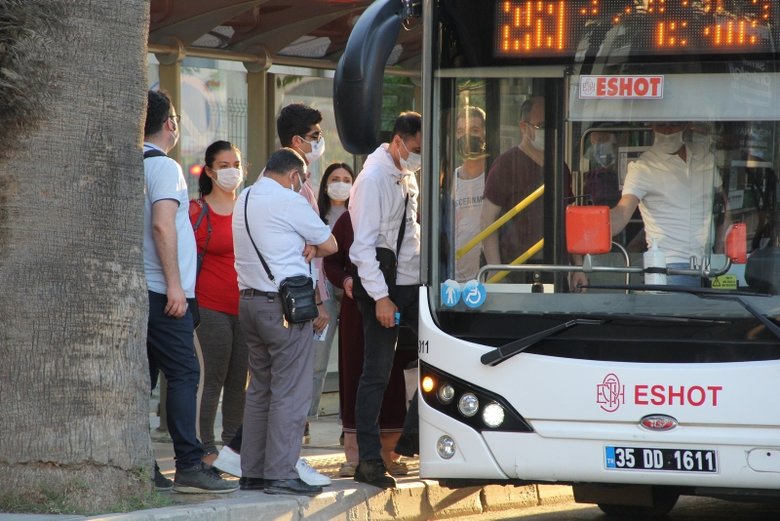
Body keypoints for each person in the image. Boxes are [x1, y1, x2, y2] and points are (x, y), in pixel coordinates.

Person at [142, 90, 237, 494]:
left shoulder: (132, 163)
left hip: (144, 290)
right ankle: (189, 465)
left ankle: (144, 467)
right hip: (164, 293)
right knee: (185, 373)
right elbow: (163, 224)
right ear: (170, 123)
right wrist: (175, 287)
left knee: (145, 380)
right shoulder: (164, 166)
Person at [232, 148, 337, 497]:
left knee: (260, 389)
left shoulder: (244, 197)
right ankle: (280, 474)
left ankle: (253, 472)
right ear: (294, 176)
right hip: (283, 308)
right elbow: (331, 243)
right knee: (290, 392)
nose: (302, 185)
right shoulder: (290, 201)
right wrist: (314, 248)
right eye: (303, 179)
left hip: (249, 303)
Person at [349, 111, 422, 488]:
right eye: (416, 148)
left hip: (410, 283)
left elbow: (411, 234)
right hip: (383, 285)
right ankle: (368, 460)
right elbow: (362, 247)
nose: (419, 156)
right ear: (397, 141)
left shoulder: (406, 174)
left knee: (443, 356)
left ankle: (413, 436)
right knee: (376, 372)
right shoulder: (373, 178)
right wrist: (381, 297)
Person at [323, 211, 417, 478]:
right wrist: (346, 280)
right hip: (357, 309)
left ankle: (390, 453)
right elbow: (331, 262)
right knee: (356, 374)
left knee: (393, 377)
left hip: (396, 305)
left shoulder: (405, 215)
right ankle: (355, 455)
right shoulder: (349, 219)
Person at [480, 96, 586, 290]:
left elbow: (569, 219)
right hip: (514, 273)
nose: (549, 130)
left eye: (553, 125)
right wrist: (495, 271)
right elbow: (487, 221)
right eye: (542, 125)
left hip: (555, 269)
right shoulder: (506, 165)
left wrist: (578, 267)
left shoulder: (560, 168)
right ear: (524, 127)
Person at [189, 141, 247, 466]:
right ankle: (204, 450)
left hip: (247, 308)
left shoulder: (248, 207)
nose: (231, 171)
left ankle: (233, 451)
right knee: (211, 378)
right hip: (209, 307)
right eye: (224, 166)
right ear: (210, 171)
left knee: (239, 382)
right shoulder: (197, 211)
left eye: (236, 165)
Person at [609, 122, 723, 286]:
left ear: (685, 125)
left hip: (711, 264)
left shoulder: (705, 158)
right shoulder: (643, 167)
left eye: (673, 125)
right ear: (652, 126)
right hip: (669, 267)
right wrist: (593, 228)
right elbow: (622, 211)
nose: (667, 131)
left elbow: (726, 203)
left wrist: (722, 242)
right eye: (661, 125)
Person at [311, 162, 355, 427]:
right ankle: (305, 418)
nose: (341, 184)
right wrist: (317, 300)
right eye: (335, 179)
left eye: (347, 179)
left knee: (351, 361)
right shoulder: (314, 215)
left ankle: (348, 424)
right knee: (317, 360)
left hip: (352, 292)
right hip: (324, 293)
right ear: (325, 184)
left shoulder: (361, 214)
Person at [452, 106, 488, 281]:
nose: (466, 137)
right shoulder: (449, 180)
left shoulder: (494, 177)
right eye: (460, 131)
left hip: (487, 278)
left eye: (474, 130)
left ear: (485, 135)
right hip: (454, 282)